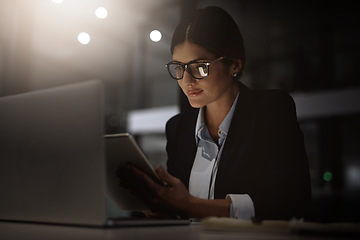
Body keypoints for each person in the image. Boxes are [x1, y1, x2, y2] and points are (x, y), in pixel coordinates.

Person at [118, 6, 311, 220]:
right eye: (178, 67)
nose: (187, 81)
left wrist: (189, 205)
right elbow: (178, 210)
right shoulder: (178, 128)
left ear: (235, 65)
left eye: (200, 67)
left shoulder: (270, 111)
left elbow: (292, 201)